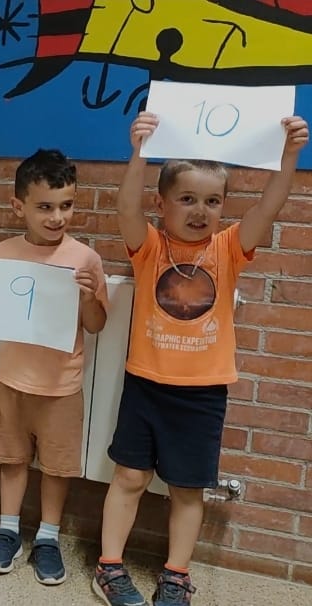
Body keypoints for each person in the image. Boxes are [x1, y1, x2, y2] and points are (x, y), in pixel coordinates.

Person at [93, 112, 308, 606]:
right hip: (146, 385)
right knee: (129, 477)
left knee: (188, 489)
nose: (200, 210)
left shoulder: (228, 247)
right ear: (162, 203)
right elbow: (125, 207)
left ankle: (176, 576)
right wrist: (138, 152)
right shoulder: (149, 247)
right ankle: (109, 566)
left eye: (212, 201)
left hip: (203, 395)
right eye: (187, 198)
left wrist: (289, 156)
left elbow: (269, 207)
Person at [0, 150, 108, 584]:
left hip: (62, 385)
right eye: (45, 206)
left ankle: (48, 536)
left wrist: (87, 297)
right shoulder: (4, 252)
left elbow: (97, 324)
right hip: (12, 380)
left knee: (57, 467)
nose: (57, 217)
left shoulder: (85, 258)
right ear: (18, 206)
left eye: (66, 205)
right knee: (12, 459)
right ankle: (8, 530)